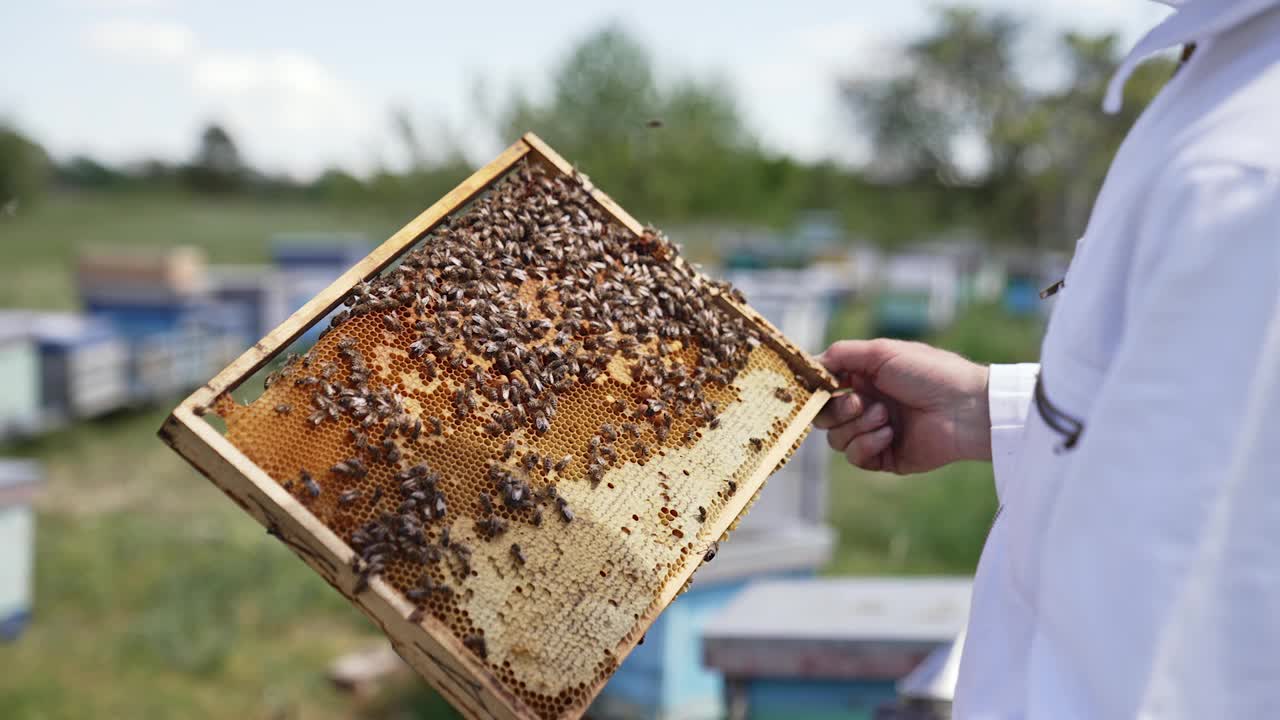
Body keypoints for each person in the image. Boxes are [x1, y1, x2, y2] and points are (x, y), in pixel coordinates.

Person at [814, 0, 1280, 717]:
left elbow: (1182, 659)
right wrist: (986, 413)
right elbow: (1200, 438)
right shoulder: (1220, 80)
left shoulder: (1249, 165)